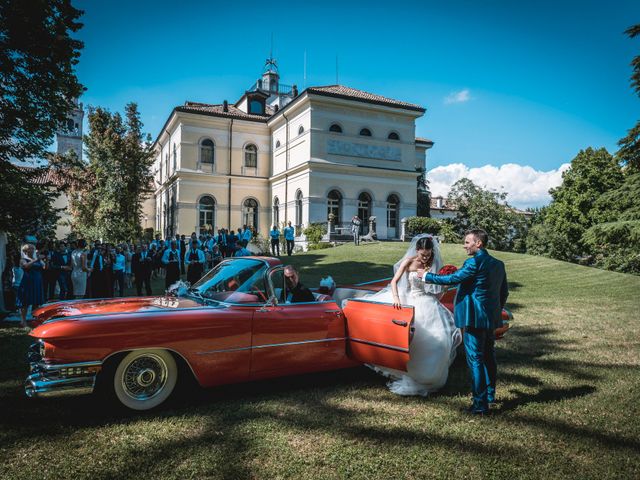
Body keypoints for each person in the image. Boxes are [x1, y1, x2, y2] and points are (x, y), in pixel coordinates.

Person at [422, 229, 508, 415]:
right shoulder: (498, 264)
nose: (464, 245)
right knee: (488, 356)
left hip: (474, 318)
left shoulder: (474, 262)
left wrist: (426, 276)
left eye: (468, 242)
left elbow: (454, 279)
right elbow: (504, 293)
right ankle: (490, 395)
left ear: (479, 243)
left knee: (475, 359)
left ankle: (480, 405)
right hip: (490, 318)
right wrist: (495, 311)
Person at [366, 234, 462, 397]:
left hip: (428, 302)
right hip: (410, 299)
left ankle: (429, 376)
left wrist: (445, 288)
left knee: (438, 339)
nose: (425, 257)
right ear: (417, 250)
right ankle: (407, 371)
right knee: (413, 339)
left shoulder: (434, 262)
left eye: (428, 254)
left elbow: (435, 291)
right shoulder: (409, 262)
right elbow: (394, 281)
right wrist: (396, 298)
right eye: (422, 254)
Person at [16, 243, 45, 327]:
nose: (32, 250)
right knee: (25, 302)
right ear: (26, 250)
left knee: (36, 302)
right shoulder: (23, 259)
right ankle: (23, 321)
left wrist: (46, 261)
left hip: (37, 282)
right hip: (27, 282)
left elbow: (44, 268)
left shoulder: (37, 258)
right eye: (30, 248)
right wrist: (36, 260)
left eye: (33, 248)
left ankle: (35, 320)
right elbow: (26, 266)